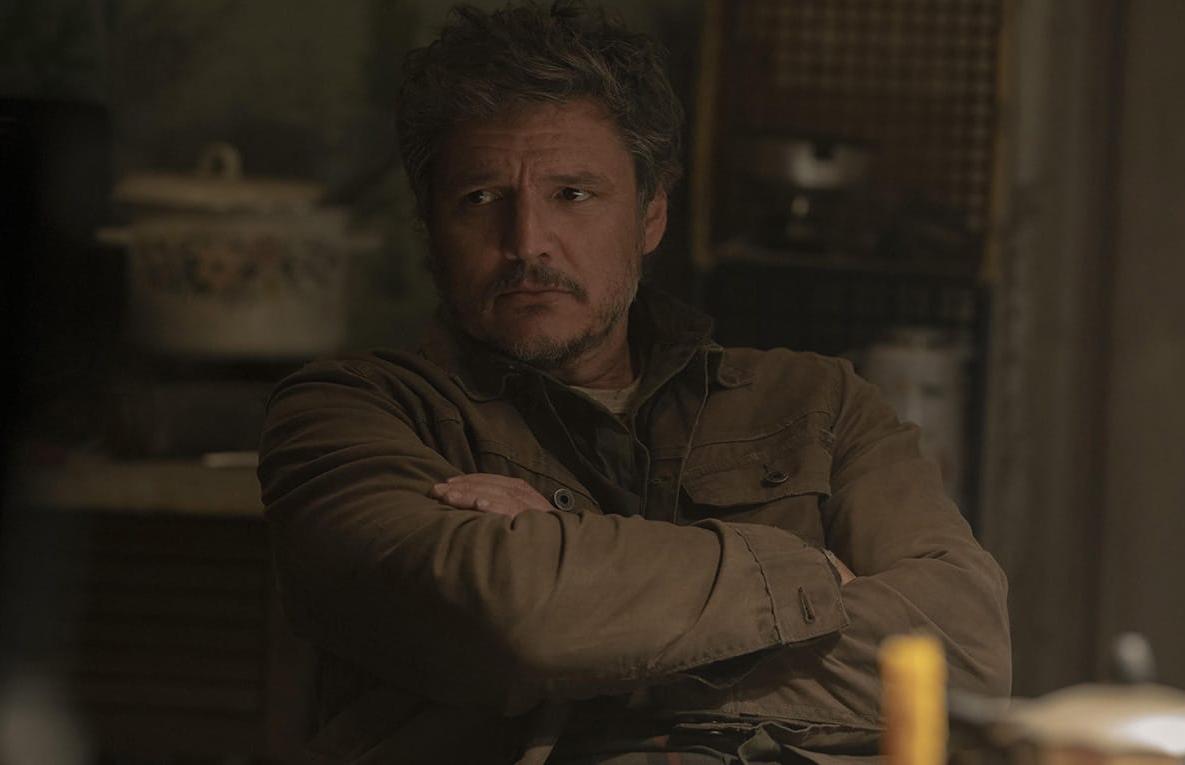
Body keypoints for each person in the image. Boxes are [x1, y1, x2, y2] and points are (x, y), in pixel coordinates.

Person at [257, 2, 1010, 762]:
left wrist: (580, 601)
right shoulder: (351, 415)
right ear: (428, 227)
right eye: (481, 199)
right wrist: (812, 577)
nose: (527, 242)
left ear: (651, 216)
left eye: (573, 195)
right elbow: (514, 621)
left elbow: (967, 659)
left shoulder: (819, 405)